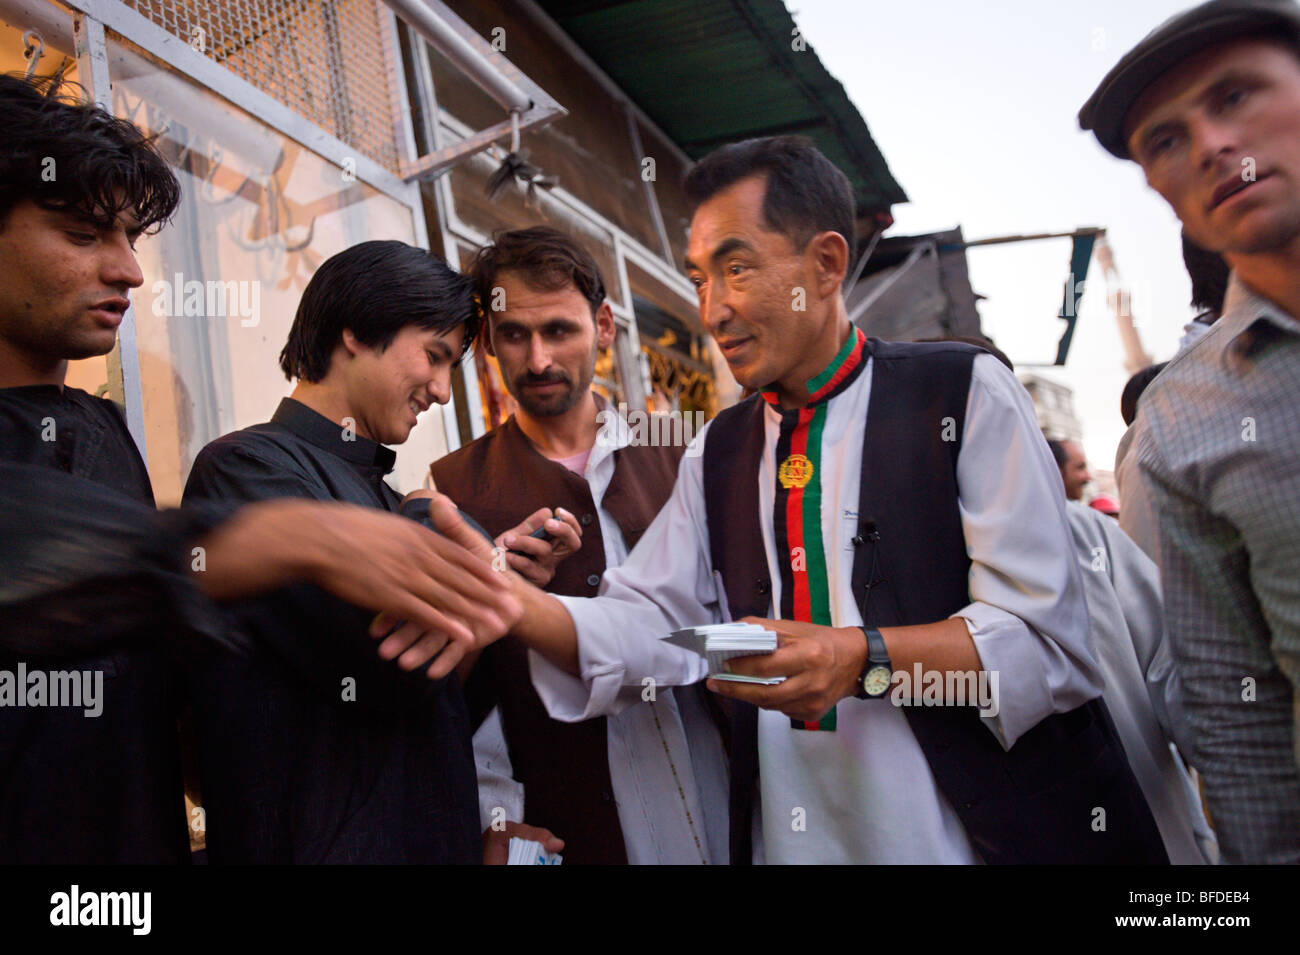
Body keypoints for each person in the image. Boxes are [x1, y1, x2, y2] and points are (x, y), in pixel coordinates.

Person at [406, 135, 1168, 864]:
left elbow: (1049, 649)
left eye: (736, 270)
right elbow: (660, 625)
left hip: (970, 834)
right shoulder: (720, 449)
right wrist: (508, 601)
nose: (711, 310)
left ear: (827, 263)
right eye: (700, 277)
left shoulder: (960, 394)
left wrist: (861, 659)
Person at [0, 73, 518, 863]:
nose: (130, 271)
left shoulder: (102, 431)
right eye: (81, 235)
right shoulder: (247, 469)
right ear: (357, 332)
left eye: (130, 241)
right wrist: (289, 537)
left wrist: (482, 586)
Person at [180, 240, 542, 864]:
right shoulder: (247, 467)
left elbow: (442, 705)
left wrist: (499, 574)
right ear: (355, 330)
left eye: (451, 367)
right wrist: (475, 577)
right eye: (434, 357)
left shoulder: (390, 495)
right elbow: (383, 668)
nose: (441, 391)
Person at [430, 226, 728, 864]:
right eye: (514, 335)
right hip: (570, 818)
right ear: (486, 341)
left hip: (716, 792)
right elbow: (464, 705)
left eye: (559, 331)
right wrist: (493, 820)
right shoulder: (450, 490)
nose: (537, 360)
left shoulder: (685, 452)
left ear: (604, 326)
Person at [1079, 0, 1300, 862]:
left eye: (1235, 96)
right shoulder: (1179, 421)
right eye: (1164, 140)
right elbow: (1238, 727)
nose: (1207, 144)